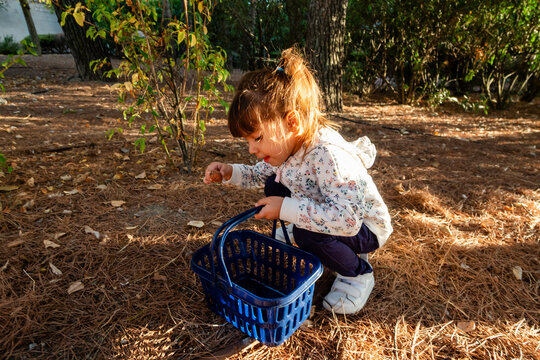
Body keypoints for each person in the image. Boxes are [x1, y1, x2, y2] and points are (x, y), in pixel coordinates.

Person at [203, 47, 392, 315]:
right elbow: (260, 173)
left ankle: (357, 272)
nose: (251, 149)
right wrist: (230, 172)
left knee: (306, 233)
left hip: (363, 225)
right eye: (248, 141)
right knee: (274, 184)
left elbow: (347, 220)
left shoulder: (328, 156)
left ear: (291, 122)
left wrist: (286, 210)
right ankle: (328, 241)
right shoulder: (290, 147)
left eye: (257, 138)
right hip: (334, 210)